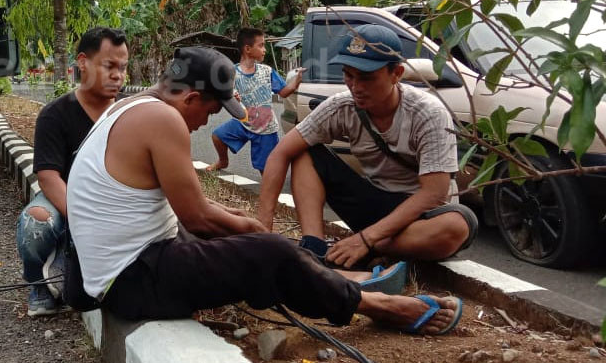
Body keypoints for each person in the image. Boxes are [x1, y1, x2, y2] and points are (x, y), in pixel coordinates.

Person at [65, 46, 464, 334]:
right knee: (266, 249)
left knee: (252, 243)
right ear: (190, 98)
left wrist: (244, 226)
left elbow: (189, 213)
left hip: (123, 271)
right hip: (132, 282)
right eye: (209, 111)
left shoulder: (126, 107)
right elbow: (199, 219)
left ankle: (324, 275)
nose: (205, 124)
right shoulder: (162, 118)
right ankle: (378, 305)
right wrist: (258, 232)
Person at [256, 24, 478, 269]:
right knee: (303, 152)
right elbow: (281, 153)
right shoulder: (341, 107)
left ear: (396, 74)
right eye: (348, 75)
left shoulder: (428, 113)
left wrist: (366, 239)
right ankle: (315, 249)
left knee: (457, 226)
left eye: (367, 77)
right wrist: (263, 230)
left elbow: (434, 194)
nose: (356, 86)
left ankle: (373, 248)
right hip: (374, 203)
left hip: (419, 215)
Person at [16, 26, 129, 317]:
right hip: (65, 199)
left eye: (123, 68)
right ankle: (41, 286)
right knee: (36, 222)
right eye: (109, 66)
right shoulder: (55, 114)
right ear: (82, 62)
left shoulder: (130, 114)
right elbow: (48, 177)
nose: (118, 75)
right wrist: (85, 218)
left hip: (116, 202)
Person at [206, 27, 303, 173]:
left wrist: (296, 82)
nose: (265, 49)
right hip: (244, 122)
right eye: (261, 45)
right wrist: (232, 97)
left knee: (266, 169)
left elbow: (283, 93)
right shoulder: (232, 72)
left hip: (266, 129)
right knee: (218, 136)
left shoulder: (267, 71)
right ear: (247, 49)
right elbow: (226, 96)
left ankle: (268, 193)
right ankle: (223, 161)